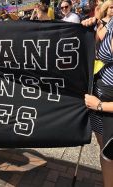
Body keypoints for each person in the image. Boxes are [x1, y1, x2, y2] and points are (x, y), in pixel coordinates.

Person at [82, 6, 113, 187]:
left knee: (110, 155)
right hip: (98, 98)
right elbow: (94, 52)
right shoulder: (110, 26)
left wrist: (100, 105)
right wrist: (89, 28)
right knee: (106, 154)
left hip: (104, 104)